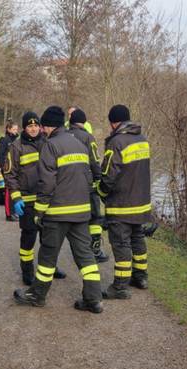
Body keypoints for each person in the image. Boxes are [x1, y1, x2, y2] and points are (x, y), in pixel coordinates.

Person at [14, 106, 103, 314]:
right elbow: (89, 176)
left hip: (58, 212)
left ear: (48, 126)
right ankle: (93, 299)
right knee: (86, 256)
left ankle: (37, 295)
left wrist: (39, 212)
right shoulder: (80, 144)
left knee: (47, 255)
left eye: (43, 126)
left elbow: (46, 183)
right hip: (81, 212)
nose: (41, 130)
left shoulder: (50, 146)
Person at [4, 112, 67, 286]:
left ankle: (49, 268)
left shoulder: (48, 143)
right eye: (29, 126)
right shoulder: (16, 147)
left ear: (40, 126)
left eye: (36, 125)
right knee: (29, 237)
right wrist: (16, 198)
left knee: (48, 238)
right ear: (24, 127)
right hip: (27, 202)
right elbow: (10, 174)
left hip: (46, 200)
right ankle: (27, 270)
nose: (33, 129)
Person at [97, 104, 152, 299]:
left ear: (113, 123)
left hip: (122, 203)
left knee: (121, 244)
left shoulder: (117, 142)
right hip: (141, 202)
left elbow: (109, 174)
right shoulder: (143, 140)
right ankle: (141, 277)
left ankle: (120, 286)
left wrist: (100, 191)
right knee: (137, 240)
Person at [66, 108, 109, 263]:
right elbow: (94, 161)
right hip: (86, 183)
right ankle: (95, 249)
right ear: (84, 122)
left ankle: (78, 246)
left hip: (67, 184)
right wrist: (99, 180)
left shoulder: (63, 135)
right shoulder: (87, 137)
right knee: (95, 216)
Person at [0, 118, 19, 221]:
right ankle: (9, 214)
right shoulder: (4, 140)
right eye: (14, 129)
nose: (16, 131)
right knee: (8, 191)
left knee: (15, 190)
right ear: (9, 129)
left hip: (16, 170)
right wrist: (4, 168)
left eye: (17, 129)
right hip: (7, 170)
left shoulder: (17, 141)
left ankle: (14, 211)